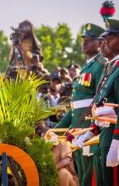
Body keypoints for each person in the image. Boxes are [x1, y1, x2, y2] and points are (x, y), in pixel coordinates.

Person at [52, 23, 106, 186]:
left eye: (89, 39)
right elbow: (75, 107)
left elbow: (98, 102)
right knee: (81, 176)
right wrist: (56, 129)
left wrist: (90, 131)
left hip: (88, 133)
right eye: (83, 39)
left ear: (100, 43)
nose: (84, 42)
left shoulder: (101, 65)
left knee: (88, 179)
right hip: (77, 132)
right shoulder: (87, 67)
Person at [76, 19, 119, 185]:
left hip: (113, 140)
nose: (105, 42)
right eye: (104, 38)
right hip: (104, 137)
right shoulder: (112, 68)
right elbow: (102, 105)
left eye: (111, 37)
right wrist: (92, 131)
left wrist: (116, 143)